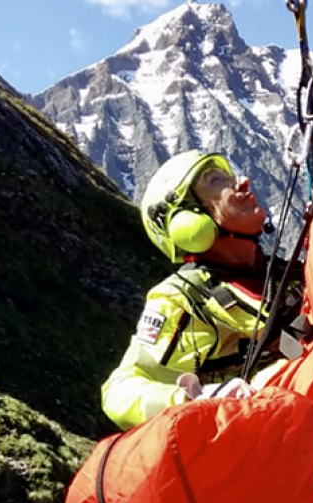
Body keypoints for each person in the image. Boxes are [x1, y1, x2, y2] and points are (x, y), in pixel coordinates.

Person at [101, 150, 296, 431]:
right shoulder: (181, 298)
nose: (243, 183)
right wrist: (197, 398)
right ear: (188, 219)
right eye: (217, 181)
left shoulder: (284, 273)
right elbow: (119, 391)